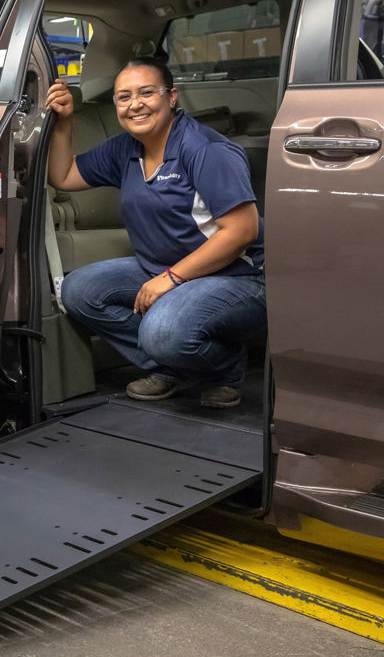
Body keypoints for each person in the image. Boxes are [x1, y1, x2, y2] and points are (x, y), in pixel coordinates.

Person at [47, 57, 265, 408]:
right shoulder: (125, 149)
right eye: (124, 97)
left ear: (171, 97)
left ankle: (224, 369)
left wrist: (170, 278)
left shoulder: (205, 150)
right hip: (167, 269)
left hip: (239, 277)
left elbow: (242, 231)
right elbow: (64, 176)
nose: (135, 104)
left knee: (161, 332)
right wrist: (64, 122)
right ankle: (174, 367)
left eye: (147, 93)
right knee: (79, 290)